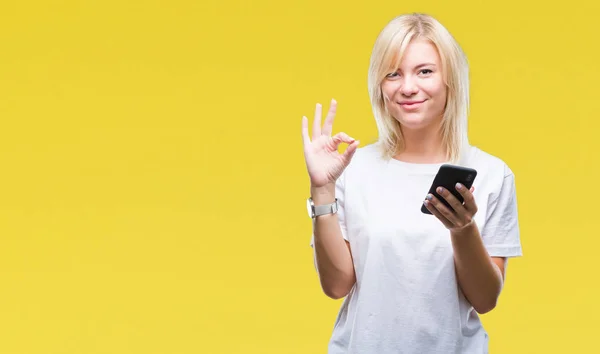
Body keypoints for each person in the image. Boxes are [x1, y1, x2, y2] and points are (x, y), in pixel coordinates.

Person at [300, 13, 523, 353]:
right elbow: (336, 285)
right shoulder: (352, 168)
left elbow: (485, 298)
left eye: (424, 71)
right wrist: (322, 190)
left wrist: (463, 229)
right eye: (393, 73)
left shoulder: (491, 172)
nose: (407, 87)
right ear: (380, 85)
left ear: (450, 79)